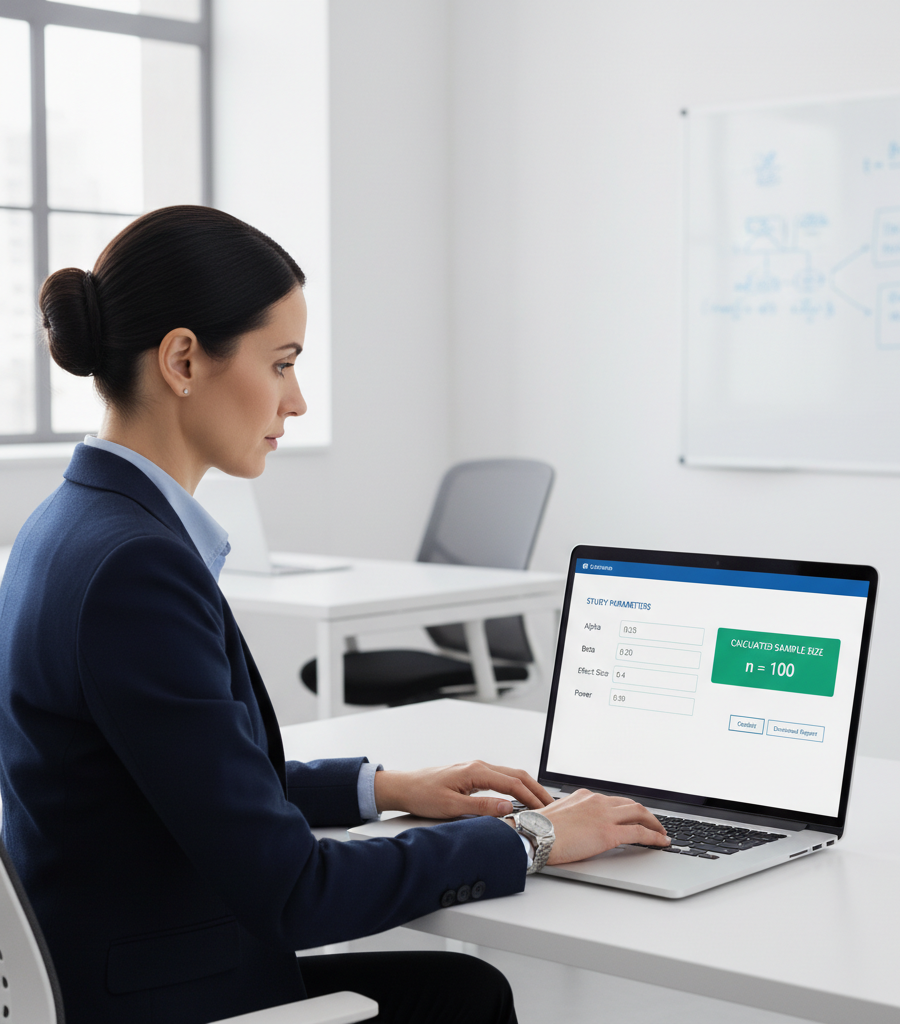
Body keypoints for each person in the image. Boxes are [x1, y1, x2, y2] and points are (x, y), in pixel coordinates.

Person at [0, 206, 669, 1024]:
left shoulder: (64, 526)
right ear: (182, 360)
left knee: (462, 989)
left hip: (110, 966)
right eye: (281, 364)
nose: (299, 400)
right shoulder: (137, 567)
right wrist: (533, 839)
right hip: (166, 995)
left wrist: (383, 787)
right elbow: (295, 893)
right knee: (463, 998)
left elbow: (185, 779)